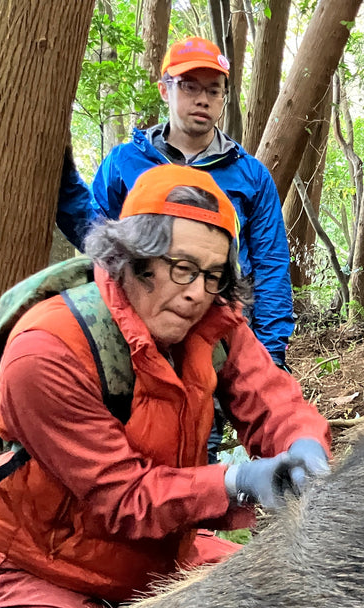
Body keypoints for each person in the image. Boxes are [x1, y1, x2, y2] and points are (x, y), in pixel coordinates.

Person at [0, 164, 330, 608]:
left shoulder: (215, 323)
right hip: (43, 570)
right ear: (131, 257)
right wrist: (238, 481)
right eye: (182, 268)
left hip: (164, 558)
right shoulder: (47, 352)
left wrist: (306, 447)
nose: (197, 294)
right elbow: (125, 496)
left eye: (214, 275)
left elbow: (275, 404)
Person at [56, 36, 294, 369]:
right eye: (189, 87)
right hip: (138, 334)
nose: (203, 100)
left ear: (224, 97)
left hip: (219, 335)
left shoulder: (250, 175)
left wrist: (271, 356)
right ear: (165, 90)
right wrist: (66, 186)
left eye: (214, 90)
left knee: (205, 419)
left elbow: (271, 266)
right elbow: (98, 238)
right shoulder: (125, 162)